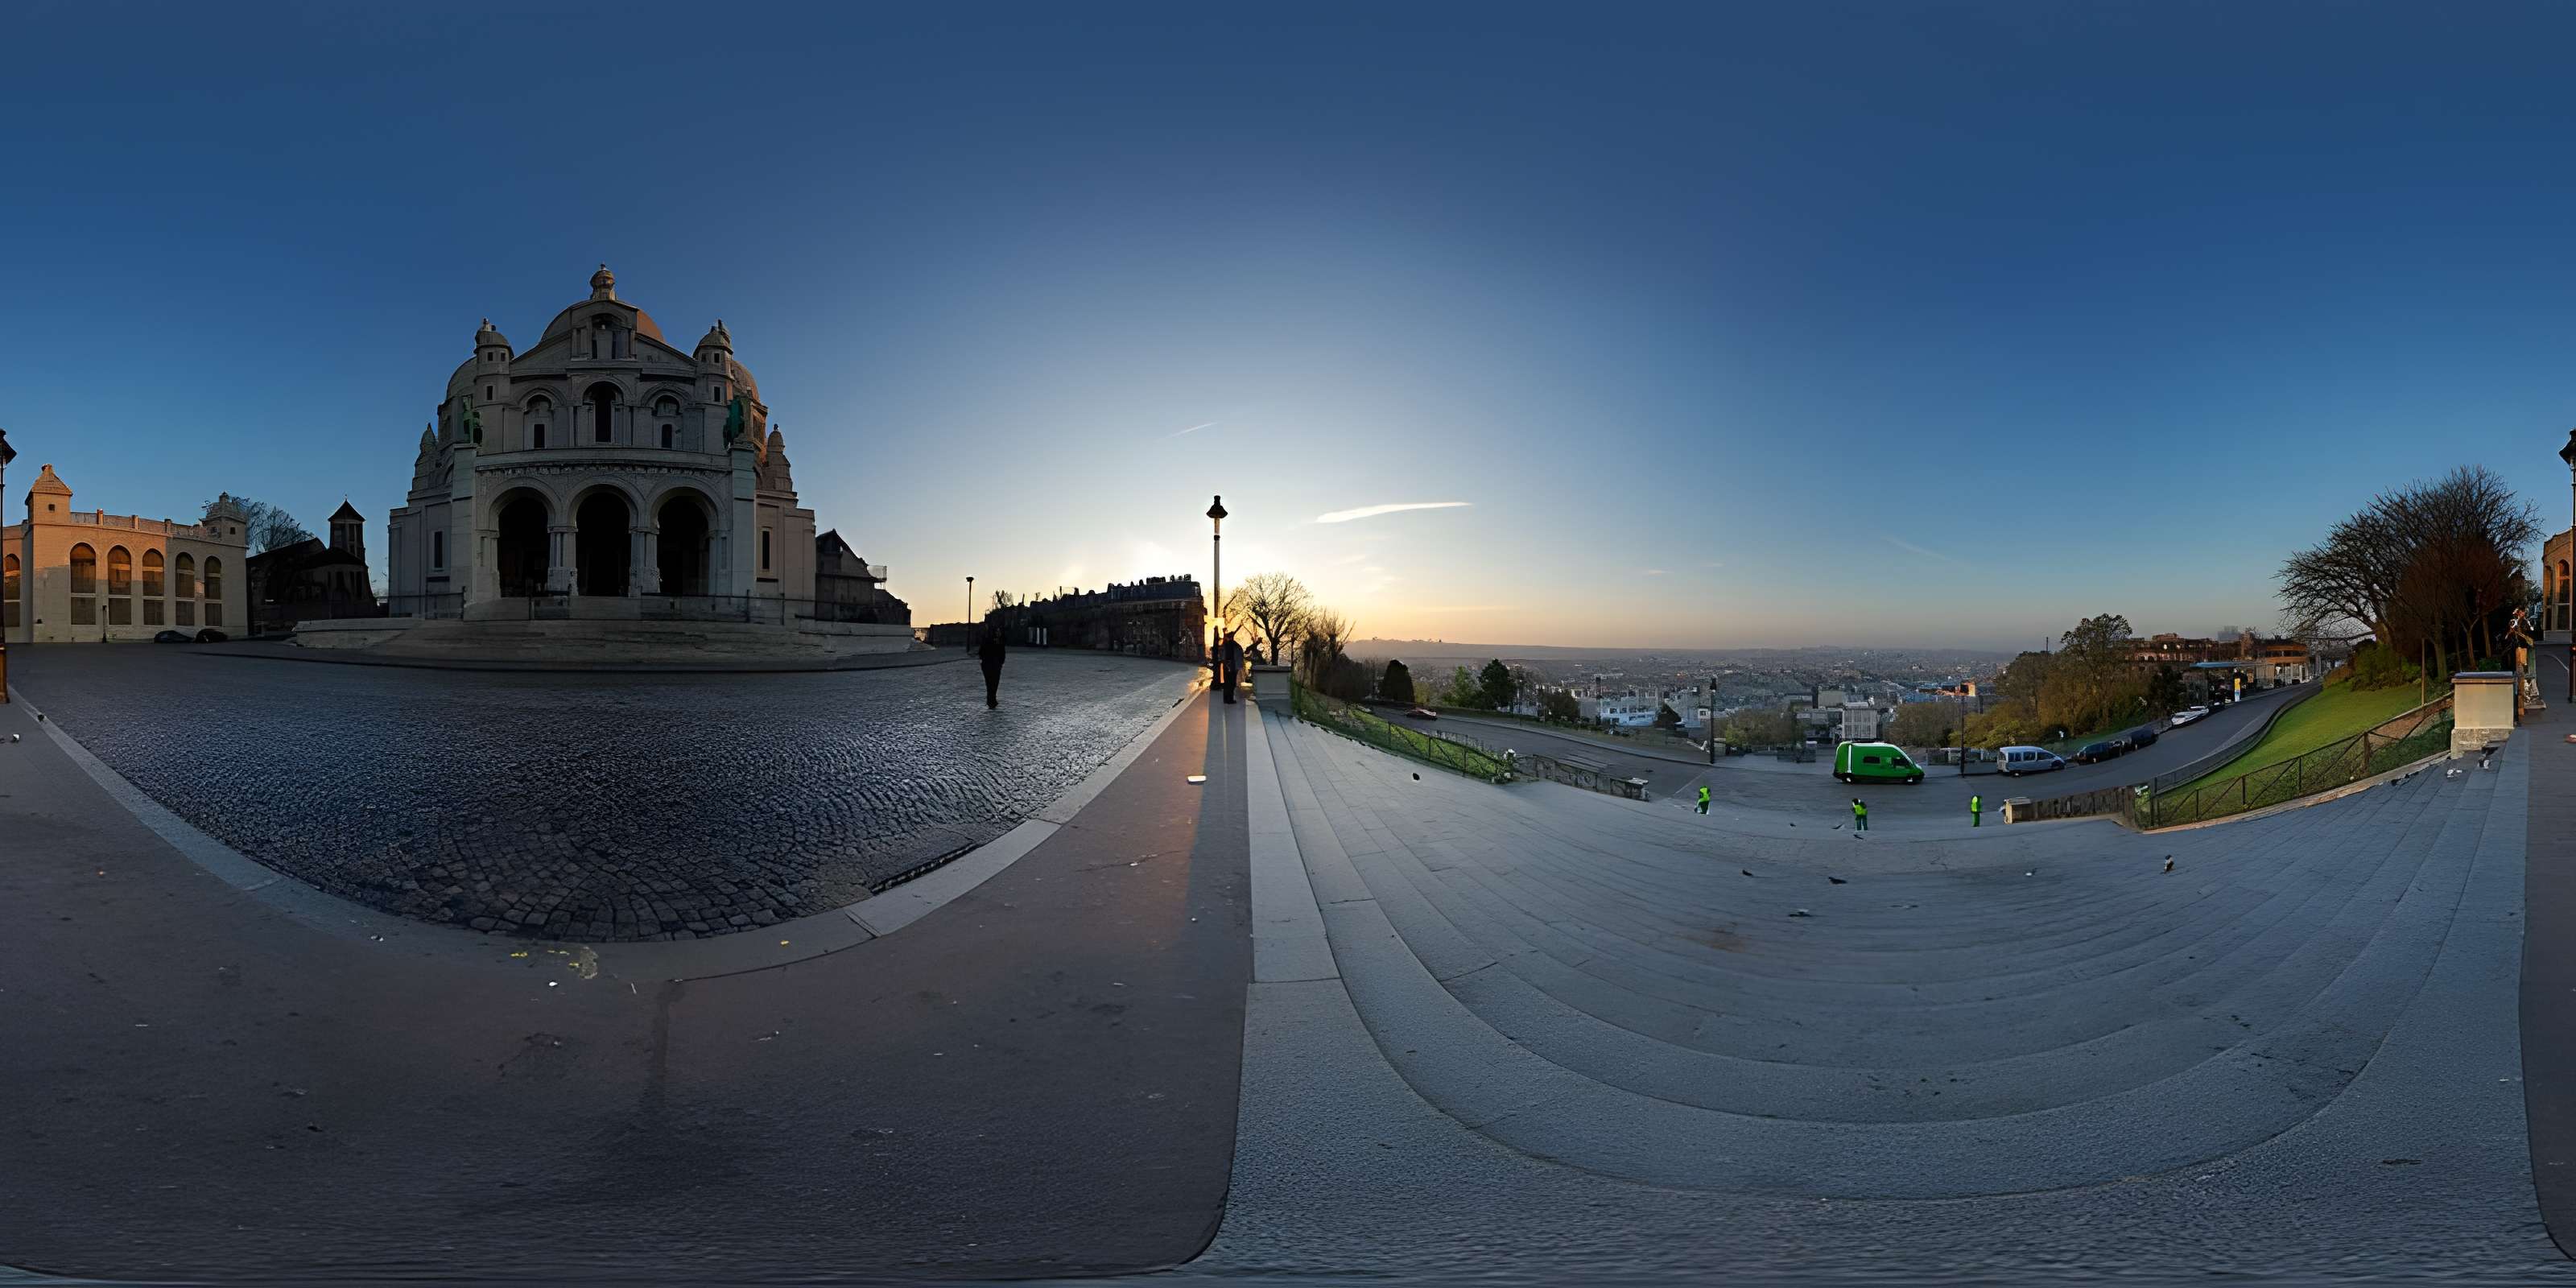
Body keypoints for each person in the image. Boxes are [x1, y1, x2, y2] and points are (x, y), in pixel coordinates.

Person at [978, 625, 1006, 709]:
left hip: (994, 664)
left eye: (999, 631)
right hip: (990, 664)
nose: (999, 633)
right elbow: (982, 652)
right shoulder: (990, 641)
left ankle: (992, 700)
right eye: (997, 631)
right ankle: (991, 700)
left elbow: (1002, 652)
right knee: (992, 683)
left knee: (993, 683)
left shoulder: (999, 641)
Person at [1219, 634, 1244, 704]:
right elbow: (1240, 657)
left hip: (1226, 666)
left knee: (1227, 683)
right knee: (1232, 683)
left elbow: (1221, 655)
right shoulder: (1236, 646)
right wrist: (1239, 666)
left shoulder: (1224, 645)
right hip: (1233, 666)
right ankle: (1230, 700)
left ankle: (1226, 699)